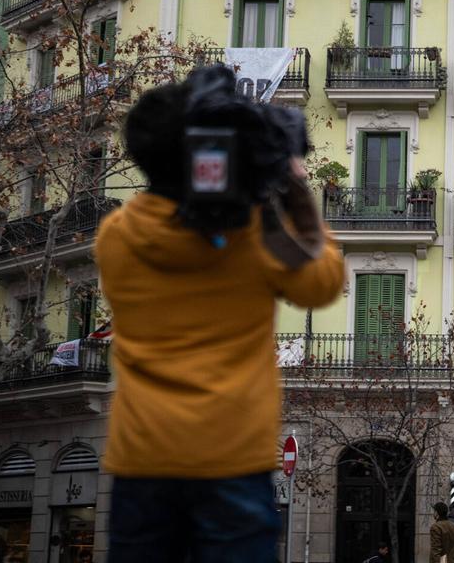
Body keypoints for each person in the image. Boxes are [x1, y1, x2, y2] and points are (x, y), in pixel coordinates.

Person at [98, 81, 345, 562]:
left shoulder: (118, 236)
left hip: (140, 457)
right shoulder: (255, 236)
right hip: (233, 458)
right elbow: (322, 282)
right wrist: (291, 188)